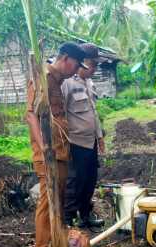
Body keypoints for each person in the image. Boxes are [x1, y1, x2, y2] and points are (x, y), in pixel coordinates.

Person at [25, 42, 88, 247]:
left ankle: (53, 243)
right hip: (48, 153)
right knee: (47, 199)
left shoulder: (58, 81)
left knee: (58, 198)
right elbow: (31, 115)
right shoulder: (42, 77)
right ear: (66, 59)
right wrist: (44, 147)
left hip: (60, 151)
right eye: (75, 65)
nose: (76, 70)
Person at [62, 43, 105, 229]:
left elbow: (93, 112)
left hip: (91, 141)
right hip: (75, 142)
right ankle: (68, 220)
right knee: (74, 182)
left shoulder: (89, 82)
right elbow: (60, 114)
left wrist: (100, 136)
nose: (94, 69)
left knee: (89, 180)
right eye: (93, 65)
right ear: (83, 62)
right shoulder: (67, 83)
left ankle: (85, 217)